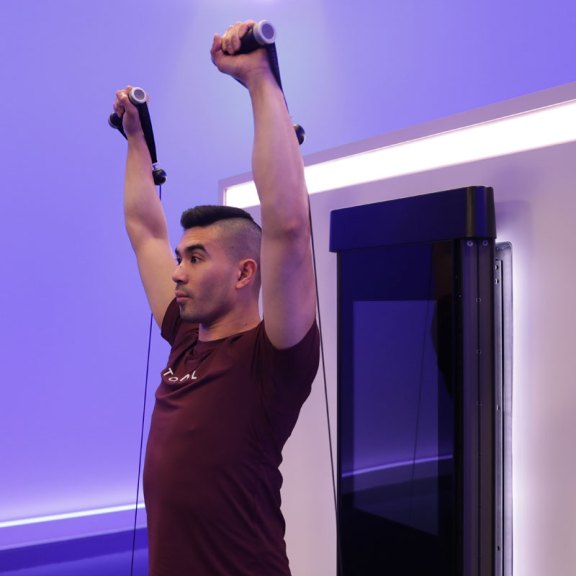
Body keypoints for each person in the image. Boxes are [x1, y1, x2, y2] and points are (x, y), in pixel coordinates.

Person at [113, 19, 320, 576]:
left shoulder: (271, 359)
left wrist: (258, 78)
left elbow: (290, 227)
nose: (177, 272)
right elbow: (145, 230)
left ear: (245, 273)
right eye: (182, 258)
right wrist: (136, 140)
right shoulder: (185, 336)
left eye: (196, 258)